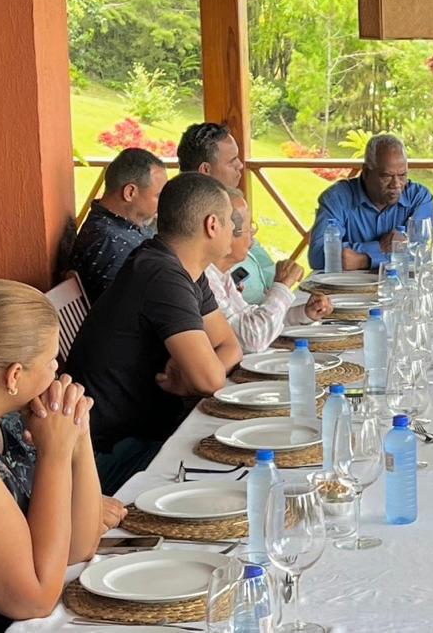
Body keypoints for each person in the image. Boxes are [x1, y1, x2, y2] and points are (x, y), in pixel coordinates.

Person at [66, 172, 243, 494]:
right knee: (241, 475)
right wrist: (198, 376)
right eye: (232, 220)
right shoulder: (161, 274)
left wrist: (195, 376)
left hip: (148, 432)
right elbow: (211, 381)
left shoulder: (183, 266)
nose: (236, 229)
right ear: (212, 225)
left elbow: (230, 344)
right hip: (110, 456)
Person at [0, 280, 103, 631]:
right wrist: (55, 456)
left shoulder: (10, 419)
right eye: (50, 360)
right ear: (14, 375)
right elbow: (35, 598)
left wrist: (78, 435)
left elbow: (78, 547)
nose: (57, 370)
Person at [207, 189, 333, 353]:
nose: (253, 236)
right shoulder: (205, 278)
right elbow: (253, 339)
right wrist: (283, 285)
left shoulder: (221, 274)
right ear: (227, 234)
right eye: (249, 228)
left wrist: (303, 314)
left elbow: (248, 318)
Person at [307, 134, 433, 271]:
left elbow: (420, 254)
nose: (396, 184)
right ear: (366, 172)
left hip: (400, 287)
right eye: (386, 176)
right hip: (347, 288)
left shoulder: (419, 198)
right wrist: (379, 247)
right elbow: (317, 256)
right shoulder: (336, 198)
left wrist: (365, 260)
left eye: (402, 175)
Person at [178, 122, 275, 304]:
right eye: (232, 161)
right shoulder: (189, 227)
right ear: (205, 170)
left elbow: (268, 272)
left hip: (267, 314)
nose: (240, 165)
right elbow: (242, 328)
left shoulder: (235, 206)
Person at [67, 148, 167, 302]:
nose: (163, 203)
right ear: (130, 192)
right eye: (159, 196)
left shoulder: (123, 227)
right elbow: (124, 312)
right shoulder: (108, 242)